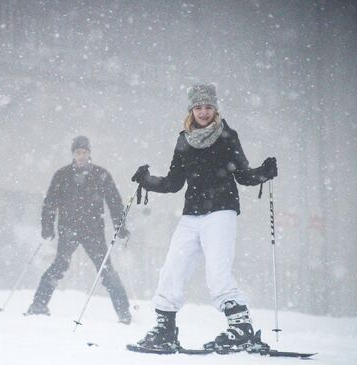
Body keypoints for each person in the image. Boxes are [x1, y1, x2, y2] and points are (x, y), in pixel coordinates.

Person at [129, 83, 277, 353]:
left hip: (221, 211)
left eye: (208, 107)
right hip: (191, 214)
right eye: (198, 107)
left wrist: (263, 173)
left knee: (217, 273)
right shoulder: (183, 139)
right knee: (171, 270)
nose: (204, 112)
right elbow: (174, 182)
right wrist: (147, 181)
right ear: (191, 110)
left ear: (215, 109)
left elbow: (242, 174)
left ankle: (241, 330)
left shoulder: (227, 136)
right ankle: (165, 331)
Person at [26, 136, 133, 324]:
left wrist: (120, 227)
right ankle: (39, 305)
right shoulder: (62, 175)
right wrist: (47, 226)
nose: (81, 156)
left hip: (94, 231)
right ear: (73, 154)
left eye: (84, 152)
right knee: (59, 265)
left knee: (106, 270)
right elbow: (50, 202)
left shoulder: (101, 175)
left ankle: (124, 313)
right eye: (78, 152)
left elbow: (115, 203)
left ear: (89, 153)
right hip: (68, 229)